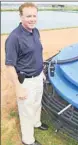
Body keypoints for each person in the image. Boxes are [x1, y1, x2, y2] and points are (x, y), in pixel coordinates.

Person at [5, 2, 48, 145]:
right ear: (21, 16)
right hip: (26, 81)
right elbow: (10, 66)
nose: (32, 19)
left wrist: (41, 71)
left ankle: (37, 123)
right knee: (26, 112)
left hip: (37, 77)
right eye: (28, 16)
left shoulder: (35, 31)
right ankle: (28, 140)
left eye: (34, 16)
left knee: (36, 104)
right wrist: (18, 87)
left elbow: (37, 53)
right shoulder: (14, 38)